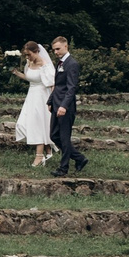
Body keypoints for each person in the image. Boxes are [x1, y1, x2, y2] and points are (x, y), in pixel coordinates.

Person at [47, 34, 89, 175]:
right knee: (54, 136)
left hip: (65, 106)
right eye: (54, 50)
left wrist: (64, 106)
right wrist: (50, 101)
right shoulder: (59, 63)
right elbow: (58, 85)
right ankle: (79, 158)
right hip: (56, 103)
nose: (55, 52)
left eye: (58, 49)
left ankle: (63, 168)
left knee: (64, 138)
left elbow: (71, 88)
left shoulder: (72, 64)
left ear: (66, 46)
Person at [11, 41, 54, 170]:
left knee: (38, 124)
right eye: (26, 55)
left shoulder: (45, 65)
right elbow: (30, 78)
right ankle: (48, 149)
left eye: (29, 54)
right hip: (31, 96)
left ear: (36, 52)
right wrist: (16, 73)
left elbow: (52, 84)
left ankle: (39, 156)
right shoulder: (29, 63)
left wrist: (52, 101)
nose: (27, 57)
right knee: (23, 123)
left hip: (42, 96)